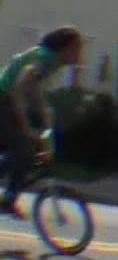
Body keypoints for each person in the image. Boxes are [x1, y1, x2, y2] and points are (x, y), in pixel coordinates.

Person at [0, 26, 83, 218]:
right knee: (24, 150)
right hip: (3, 99)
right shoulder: (46, 58)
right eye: (77, 49)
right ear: (65, 48)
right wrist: (27, 127)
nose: (80, 54)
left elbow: (34, 92)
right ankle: (8, 199)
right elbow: (21, 86)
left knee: (31, 151)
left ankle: (9, 199)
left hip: (7, 100)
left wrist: (46, 117)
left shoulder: (48, 60)